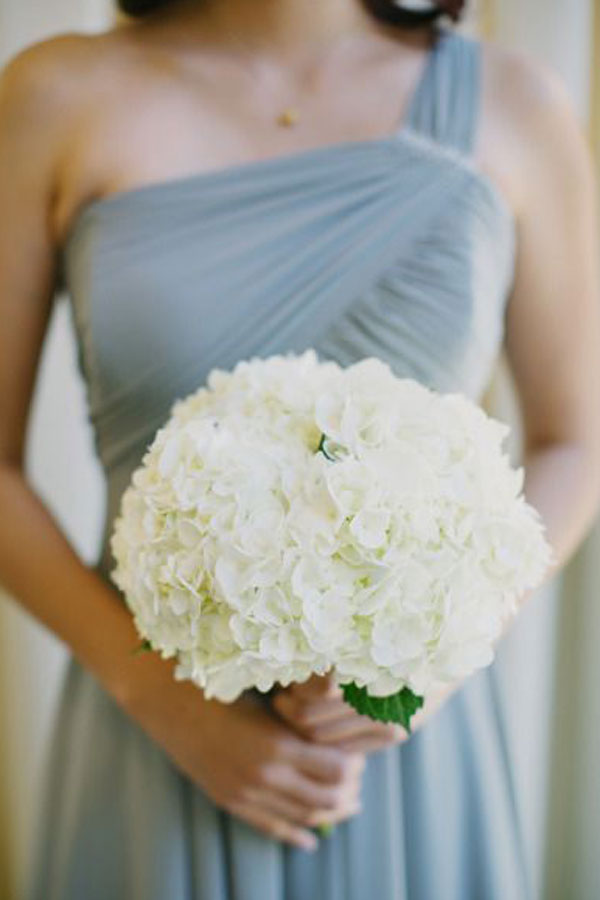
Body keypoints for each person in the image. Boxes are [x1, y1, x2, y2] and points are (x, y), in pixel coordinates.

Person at [1, 0, 599, 897]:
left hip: (406, 747)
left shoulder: (521, 103)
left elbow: (576, 442)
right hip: (154, 732)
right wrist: (167, 704)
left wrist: (431, 663)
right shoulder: (56, 94)